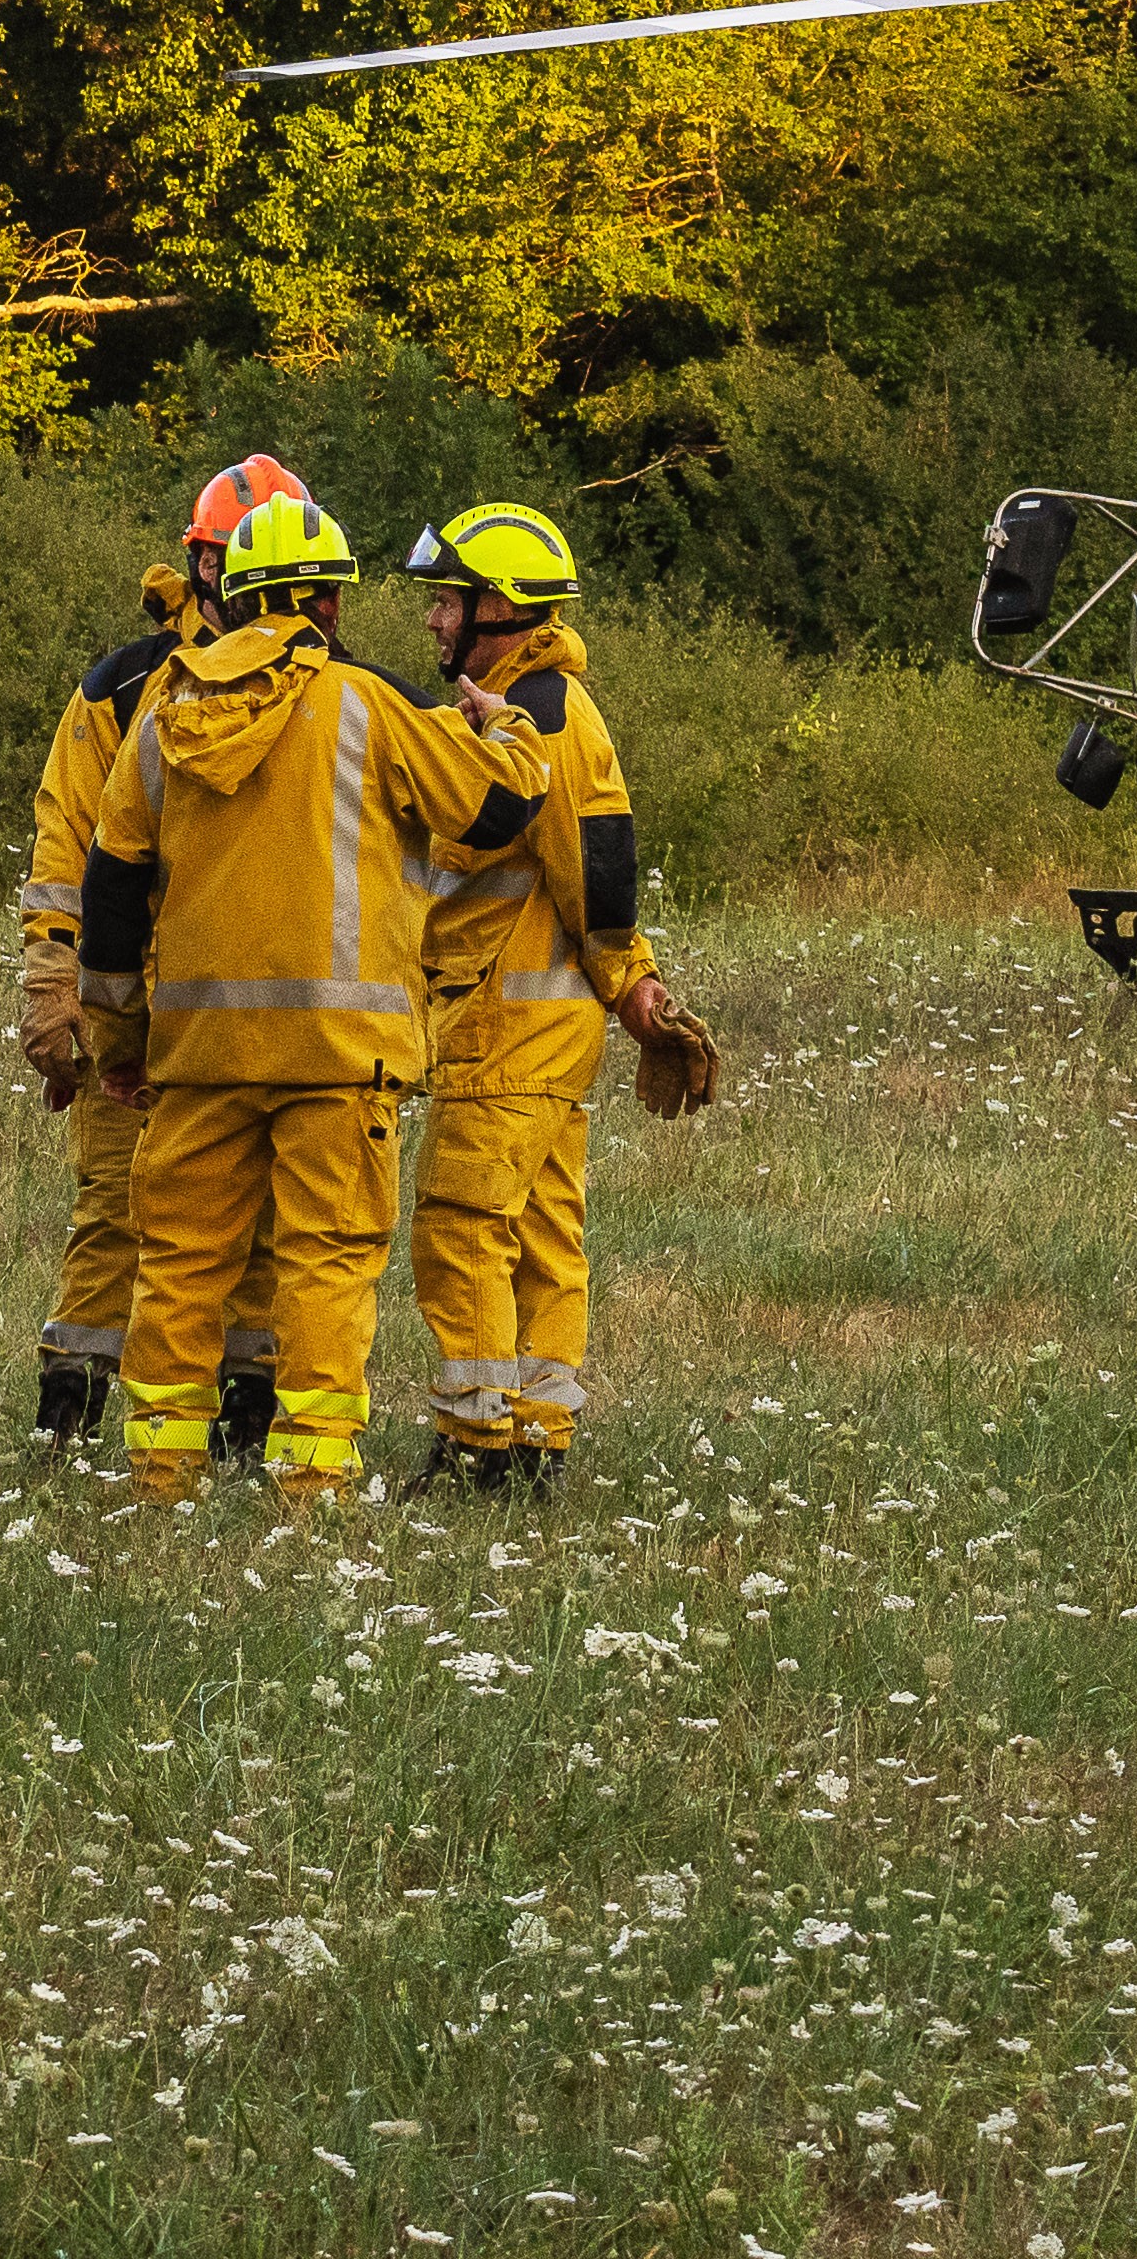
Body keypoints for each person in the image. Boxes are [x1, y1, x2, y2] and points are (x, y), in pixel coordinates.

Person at [44, 490, 512, 1505]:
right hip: (341, 1055)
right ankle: (313, 1483)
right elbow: (498, 805)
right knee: (326, 1267)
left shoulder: (163, 715)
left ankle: (162, 1473)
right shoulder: (369, 707)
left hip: (199, 1054)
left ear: (231, 598)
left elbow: (111, 889)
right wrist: (504, 727)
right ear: (329, 606)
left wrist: (118, 1041)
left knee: (178, 1264)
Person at [393, 502, 708, 1495]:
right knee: (538, 1236)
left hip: (510, 1030)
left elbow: (597, 880)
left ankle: (480, 1448)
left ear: (502, 609)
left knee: (460, 1224)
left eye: (449, 602)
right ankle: (538, 1440)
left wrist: (637, 988)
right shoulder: (513, 708)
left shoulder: (546, 720)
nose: (436, 622)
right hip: (533, 1030)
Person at [16, 459, 301, 1449]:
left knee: (260, 1222)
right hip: (130, 997)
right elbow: (69, 849)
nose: (248, 585)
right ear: (200, 563)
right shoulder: (127, 686)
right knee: (116, 1203)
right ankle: (71, 1406)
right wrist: (58, 982)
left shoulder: (321, 689)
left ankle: (247, 1406)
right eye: (231, 561)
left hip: (251, 1002)